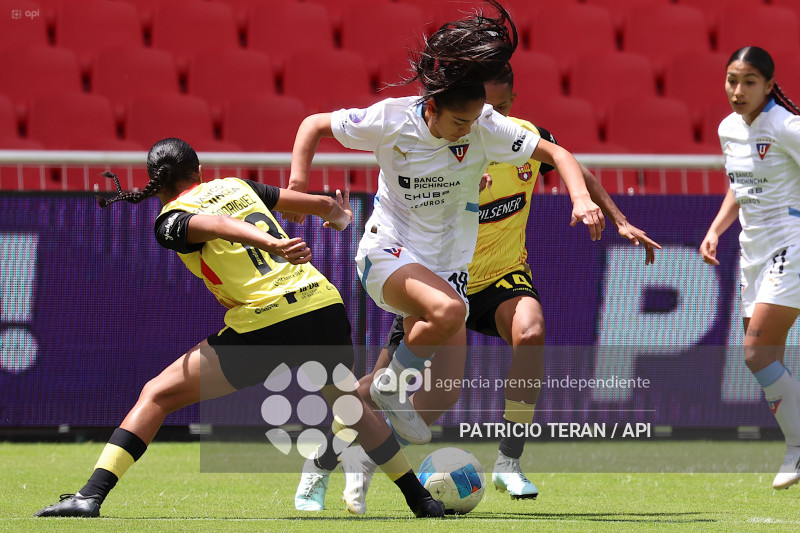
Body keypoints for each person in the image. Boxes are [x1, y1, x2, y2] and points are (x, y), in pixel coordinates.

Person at [290, 0, 605, 512]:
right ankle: (377, 417)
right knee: (446, 315)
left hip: (447, 276)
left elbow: (558, 153)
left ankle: (326, 458)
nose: (468, 131)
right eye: (458, 121)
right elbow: (312, 125)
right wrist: (299, 188)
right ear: (431, 107)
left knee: (424, 395)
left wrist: (582, 198)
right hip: (388, 254)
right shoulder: (389, 121)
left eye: (475, 121)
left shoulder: (484, 128)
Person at [34, 138, 444, 519]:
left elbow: (215, 226)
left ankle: (90, 495)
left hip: (268, 320)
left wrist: (271, 244)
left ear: (155, 180)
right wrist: (336, 214)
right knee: (347, 405)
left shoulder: (170, 220)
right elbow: (310, 204)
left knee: (157, 395)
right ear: (198, 170)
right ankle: (421, 500)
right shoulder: (237, 186)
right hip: (322, 303)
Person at [329, 65, 661, 514]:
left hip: (503, 276)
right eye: (481, 111)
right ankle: (344, 455)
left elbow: (573, 165)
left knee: (532, 332)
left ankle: (509, 459)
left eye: (499, 108)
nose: (488, 119)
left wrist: (615, 217)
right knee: (413, 392)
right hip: (441, 278)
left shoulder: (516, 136)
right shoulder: (448, 144)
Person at [700, 46, 800, 491]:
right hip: (751, 250)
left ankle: (798, 447)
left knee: (755, 352)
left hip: (791, 244)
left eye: (749, 82)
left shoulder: (785, 125)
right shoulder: (727, 128)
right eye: (731, 81)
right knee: (767, 359)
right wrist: (716, 229)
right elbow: (739, 184)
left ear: (769, 84)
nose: (737, 91)